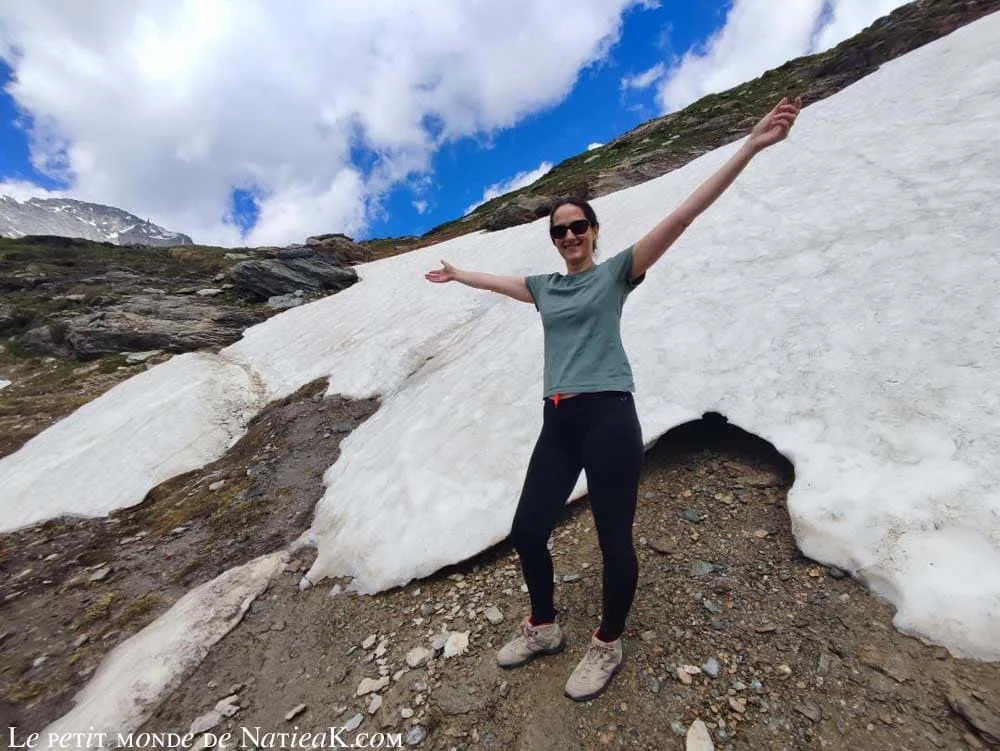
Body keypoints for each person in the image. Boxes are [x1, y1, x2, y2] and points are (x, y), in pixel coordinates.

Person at [425, 97, 802, 701]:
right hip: (558, 422)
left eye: (579, 226)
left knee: (612, 538)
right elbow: (497, 283)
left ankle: (608, 641)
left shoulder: (617, 273)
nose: (570, 235)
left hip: (609, 417)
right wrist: (460, 273)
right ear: (554, 241)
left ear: (595, 233)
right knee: (527, 530)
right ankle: (543, 627)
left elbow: (682, 217)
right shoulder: (544, 287)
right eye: (560, 230)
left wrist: (749, 147)